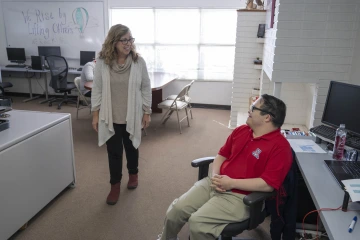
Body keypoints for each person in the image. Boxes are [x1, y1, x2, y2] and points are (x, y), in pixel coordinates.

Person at [158, 94, 293, 240]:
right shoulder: (241, 130)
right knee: (176, 211)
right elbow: (221, 155)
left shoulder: (281, 148)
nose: (249, 109)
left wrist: (231, 183)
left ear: (267, 117)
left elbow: (268, 185)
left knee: (198, 223)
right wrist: (216, 176)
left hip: (241, 196)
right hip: (215, 182)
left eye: (253, 107)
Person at [91, 24, 152, 205]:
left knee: (132, 147)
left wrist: (147, 112)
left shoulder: (138, 62)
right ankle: (115, 185)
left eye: (130, 39)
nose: (128, 44)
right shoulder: (103, 62)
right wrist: (95, 114)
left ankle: (133, 174)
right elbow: (97, 89)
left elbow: (146, 87)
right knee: (114, 153)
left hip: (132, 114)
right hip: (111, 115)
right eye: (124, 40)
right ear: (114, 41)